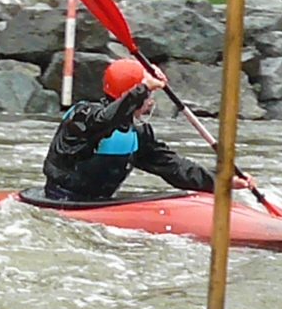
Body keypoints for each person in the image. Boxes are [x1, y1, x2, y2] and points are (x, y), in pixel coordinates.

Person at [39, 56, 229, 203]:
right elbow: (105, 120)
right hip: (60, 198)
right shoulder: (83, 116)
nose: (150, 101)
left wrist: (217, 180)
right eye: (149, 95)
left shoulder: (137, 132)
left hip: (100, 202)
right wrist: (143, 88)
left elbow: (173, 167)